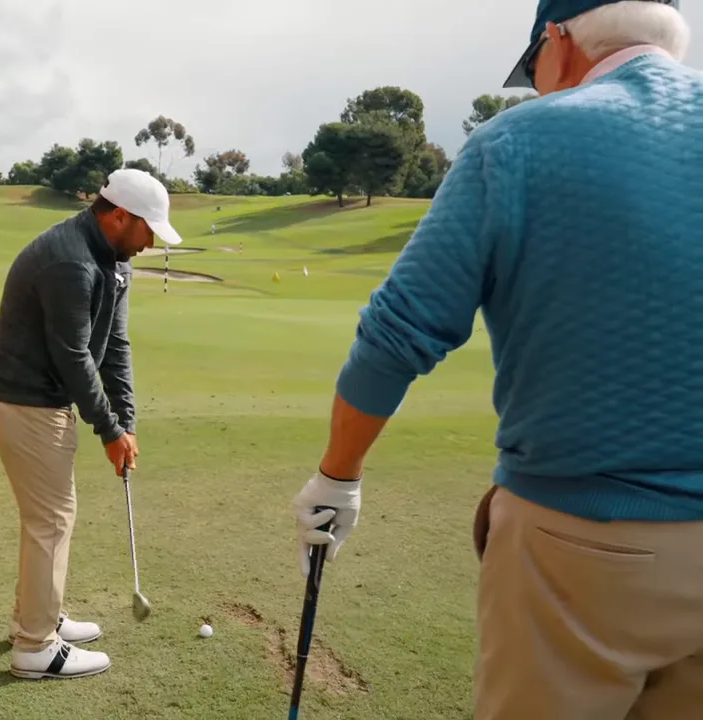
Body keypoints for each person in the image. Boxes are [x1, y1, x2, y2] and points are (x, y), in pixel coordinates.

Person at [288, 1, 703, 717]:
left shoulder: (520, 141)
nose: (541, 85)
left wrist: (337, 477)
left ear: (559, 41)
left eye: (536, 68)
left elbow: (397, 335)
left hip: (581, 545)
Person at [0, 168, 183, 680]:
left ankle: (38, 617)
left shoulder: (115, 260)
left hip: (41, 400)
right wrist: (109, 431)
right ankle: (35, 646)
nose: (152, 240)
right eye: (147, 228)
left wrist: (125, 422)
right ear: (118, 215)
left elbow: (114, 346)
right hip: (23, 401)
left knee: (49, 517)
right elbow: (73, 356)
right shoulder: (71, 262)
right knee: (51, 519)